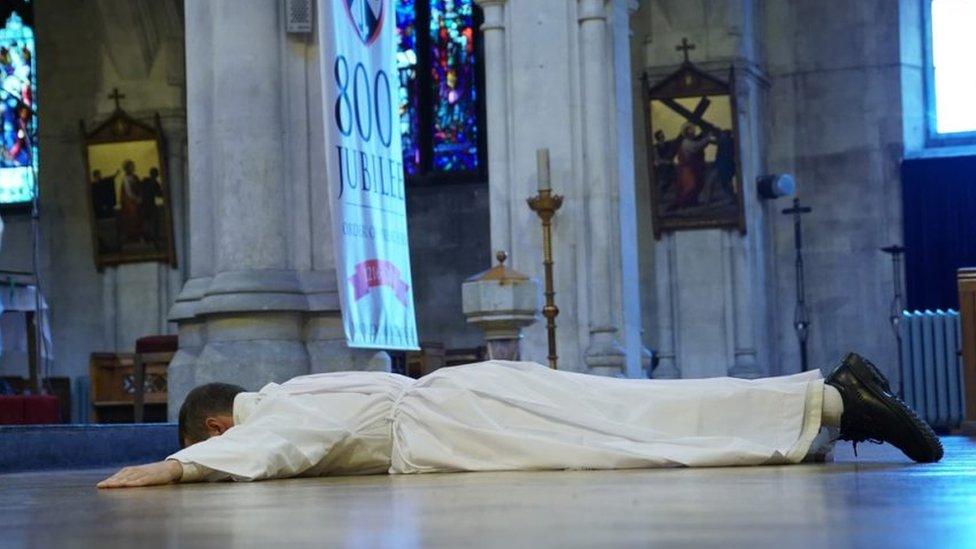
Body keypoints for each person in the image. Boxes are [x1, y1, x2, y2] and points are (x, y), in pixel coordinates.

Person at [97, 353, 943, 489]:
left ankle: (834, 399)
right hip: (459, 405)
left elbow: (292, 442)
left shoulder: (273, 410)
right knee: (635, 416)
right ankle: (829, 399)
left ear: (216, 427)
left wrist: (176, 471)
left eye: (211, 447)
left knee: (633, 436)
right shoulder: (290, 384)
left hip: (456, 420)